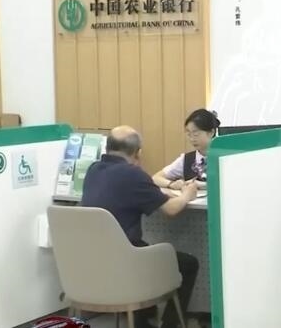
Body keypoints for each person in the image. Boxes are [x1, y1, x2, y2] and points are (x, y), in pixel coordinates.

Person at [80, 126, 199, 328]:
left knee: (143, 251)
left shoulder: (93, 171)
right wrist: (188, 194)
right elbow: (171, 209)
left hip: (95, 261)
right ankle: (169, 325)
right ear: (138, 153)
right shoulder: (133, 175)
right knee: (188, 263)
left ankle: (142, 321)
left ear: (108, 148)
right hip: (128, 262)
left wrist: (159, 192)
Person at [152, 109, 220, 192]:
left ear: (211, 132)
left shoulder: (224, 158)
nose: (192, 139)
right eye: (189, 134)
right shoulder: (186, 159)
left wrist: (202, 185)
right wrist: (171, 184)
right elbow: (156, 178)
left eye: (196, 134)